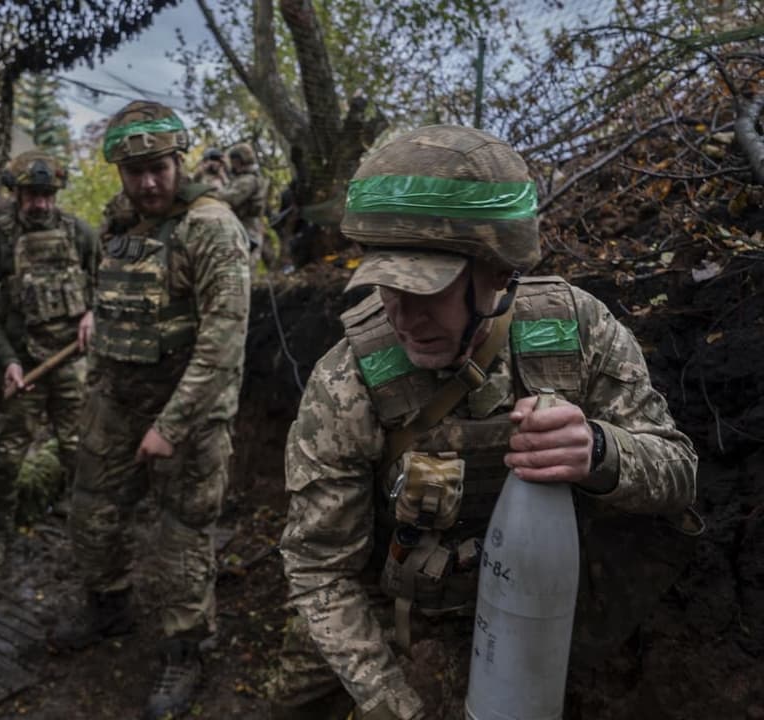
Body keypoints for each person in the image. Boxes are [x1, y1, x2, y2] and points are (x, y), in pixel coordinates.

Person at [269, 125, 699, 720]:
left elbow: (680, 475)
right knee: (293, 695)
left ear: (498, 272)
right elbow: (319, 567)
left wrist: (602, 452)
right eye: (383, 286)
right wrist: (393, 703)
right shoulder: (348, 381)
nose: (399, 315)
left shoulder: (576, 333)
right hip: (405, 619)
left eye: (426, 291)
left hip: (546, 616)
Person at [53, 100, 251, 720]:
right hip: (116, 398)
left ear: (178, 161)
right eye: (134, 171)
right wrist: (94, 314)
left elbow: (224, 339)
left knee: (182, 535)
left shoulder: (211, 227)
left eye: (158, 168)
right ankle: (107, 608)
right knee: (91, 511)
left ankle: (184, 649)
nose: (147, 183)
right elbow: (110, 287)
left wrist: (172, 424)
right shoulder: (117, 222)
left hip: (188, 410)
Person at [0, 149, 99, 567]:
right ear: (17, 193)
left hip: (72, 364)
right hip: (23, 365)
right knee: (7, 456)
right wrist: (7, 359)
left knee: (78, 451)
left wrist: (95, 313)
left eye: (47, 194)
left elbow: (107, 284)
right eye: (32, 195)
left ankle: (86, 534)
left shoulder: (79, 233)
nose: (40, 203)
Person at [216, 142, 272, 271]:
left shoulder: (249, 180)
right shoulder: (242, 178)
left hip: (248, 230)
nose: (233, 164)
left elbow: (231, 198)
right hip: (242, 229)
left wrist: (210, 193)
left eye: (235, 161)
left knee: (243, 269)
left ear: (242, 161)